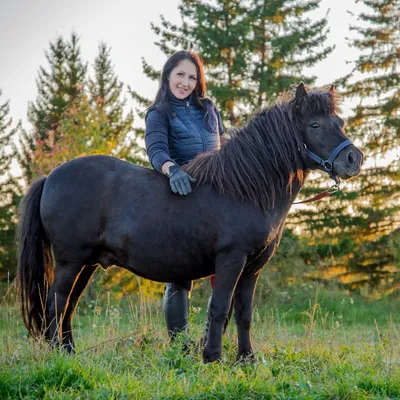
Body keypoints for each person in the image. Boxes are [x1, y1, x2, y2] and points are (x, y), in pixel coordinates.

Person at [144, 50, 224, 338]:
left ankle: (212, 341)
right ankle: (179, 348)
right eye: (180, 74)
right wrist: (172, 170)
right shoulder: (159, 112)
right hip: (180, 195)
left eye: (192, 77)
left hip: (216, 196)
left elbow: (221, 146)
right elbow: (156, 150)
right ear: (168, 75)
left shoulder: (209, 109)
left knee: (226, 270)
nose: (186, 82)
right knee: (180, 275)